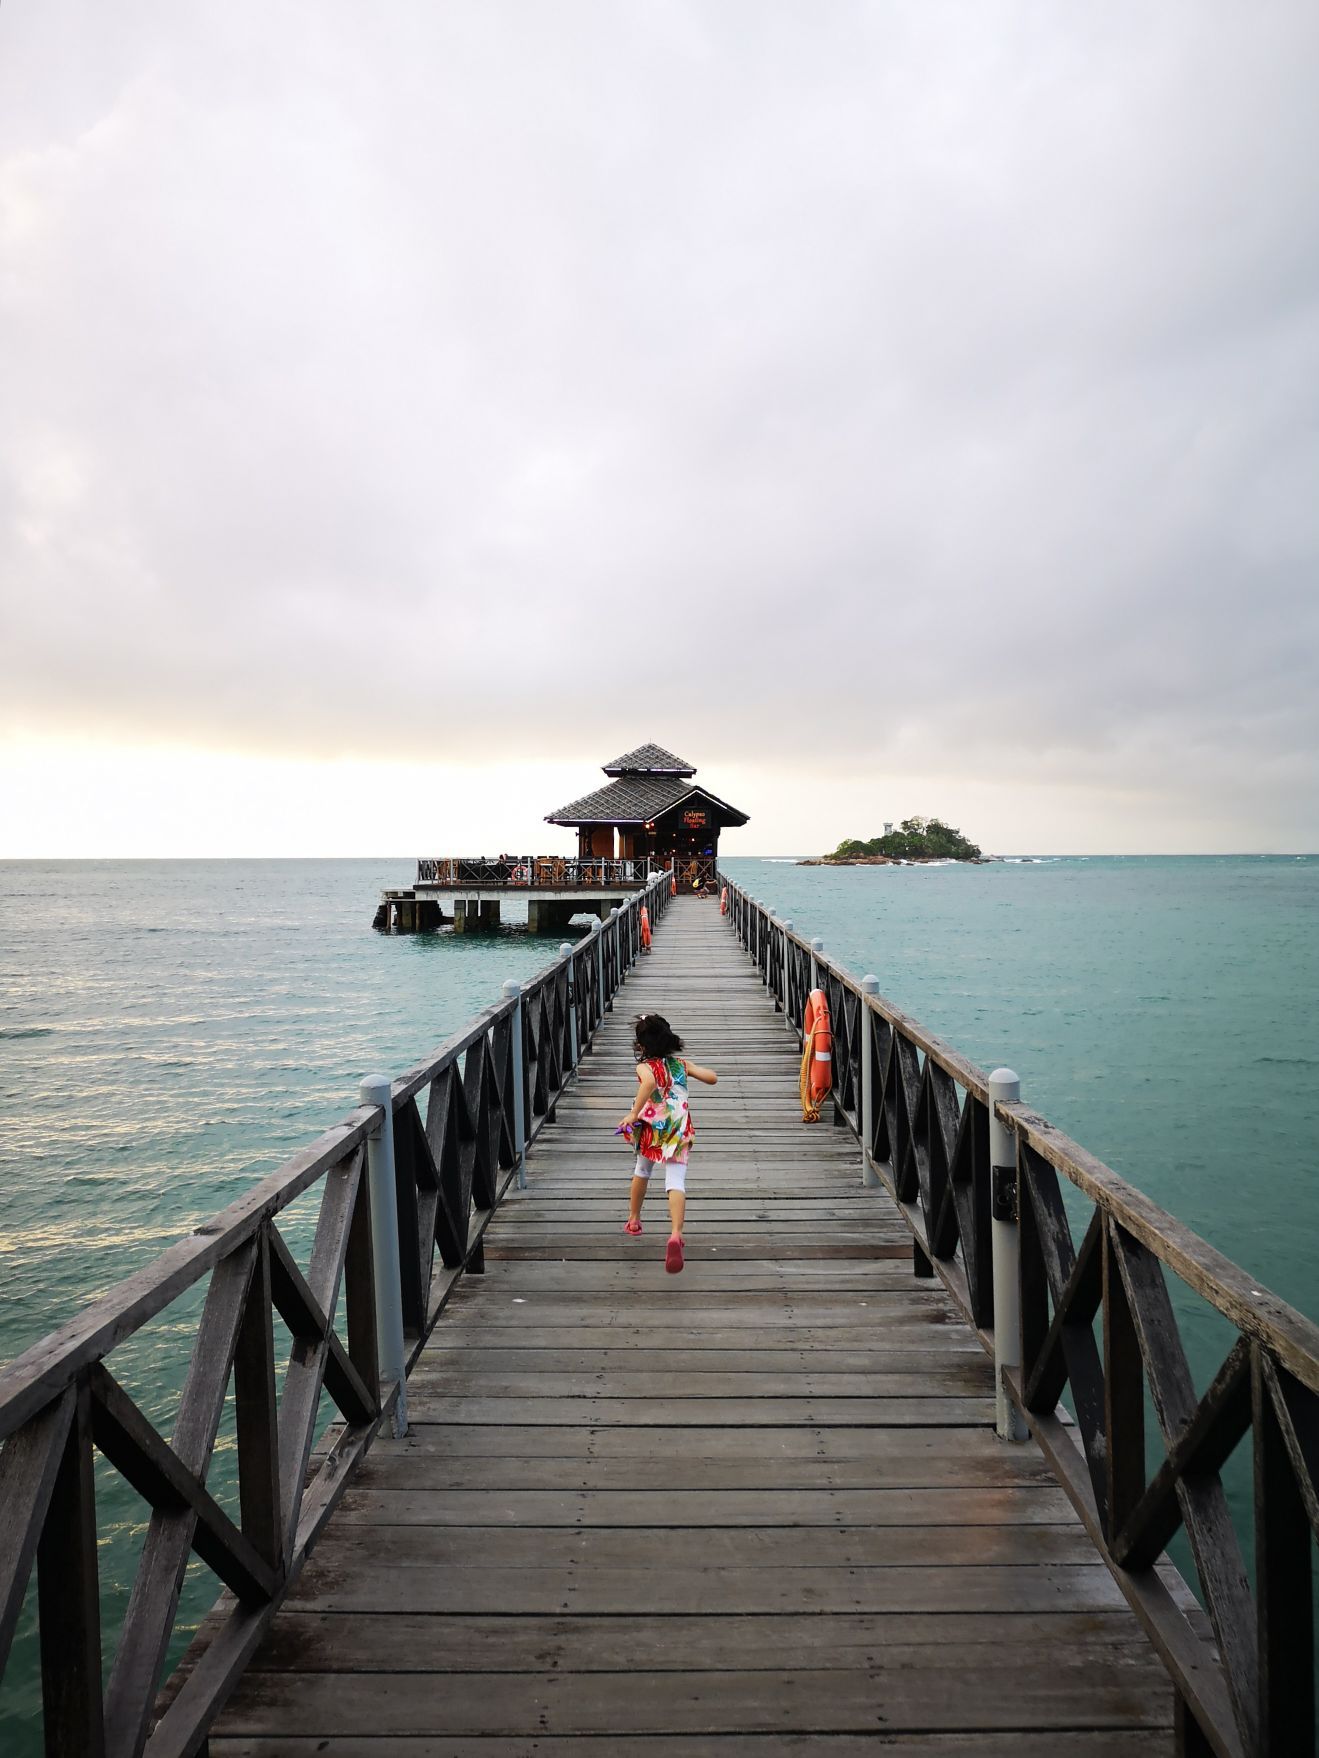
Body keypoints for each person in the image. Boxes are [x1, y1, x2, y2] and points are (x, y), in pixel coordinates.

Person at [617, 1013, 717, 1273]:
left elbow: (649, 1082)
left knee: (642, 1170)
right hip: (679, 1129)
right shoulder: (681, 1064)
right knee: (676, 1181)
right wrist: (695, 1070)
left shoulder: (645, 1067)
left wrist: (633, 1114)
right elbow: (712, 1077)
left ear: (641, 1046)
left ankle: (634, 1219)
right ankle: (675, 1234)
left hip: (652, 1128)